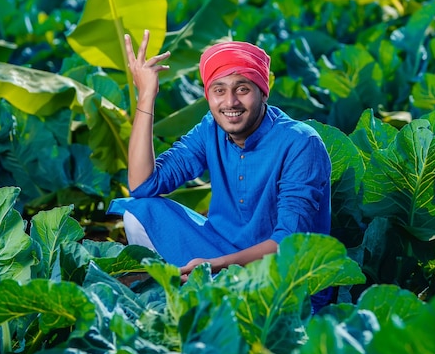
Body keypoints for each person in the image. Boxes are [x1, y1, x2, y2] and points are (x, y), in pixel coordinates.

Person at [107, 30, 333, 311]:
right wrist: (146, 96)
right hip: (221, 250)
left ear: (263, 92)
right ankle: (189, 298)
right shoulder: (209, 129)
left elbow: (290, 243)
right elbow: (143, 185)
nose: (230, 102)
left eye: (242, 89)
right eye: (219, 90)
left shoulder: (301, 142)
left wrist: (213, 266)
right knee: (140, 210)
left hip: (285, 278)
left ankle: (202, 297)